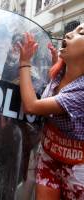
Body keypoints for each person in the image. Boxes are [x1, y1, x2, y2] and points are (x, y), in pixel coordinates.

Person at [18, 23, 84, 200]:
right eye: (72, 30)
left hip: (76, 170)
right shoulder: (61, 72)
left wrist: (24, 63)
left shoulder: (82, 92)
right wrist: (56, 61)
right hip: (48, 156)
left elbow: (31, 106)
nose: (69, 34)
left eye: (81, 33)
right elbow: (54, 86)